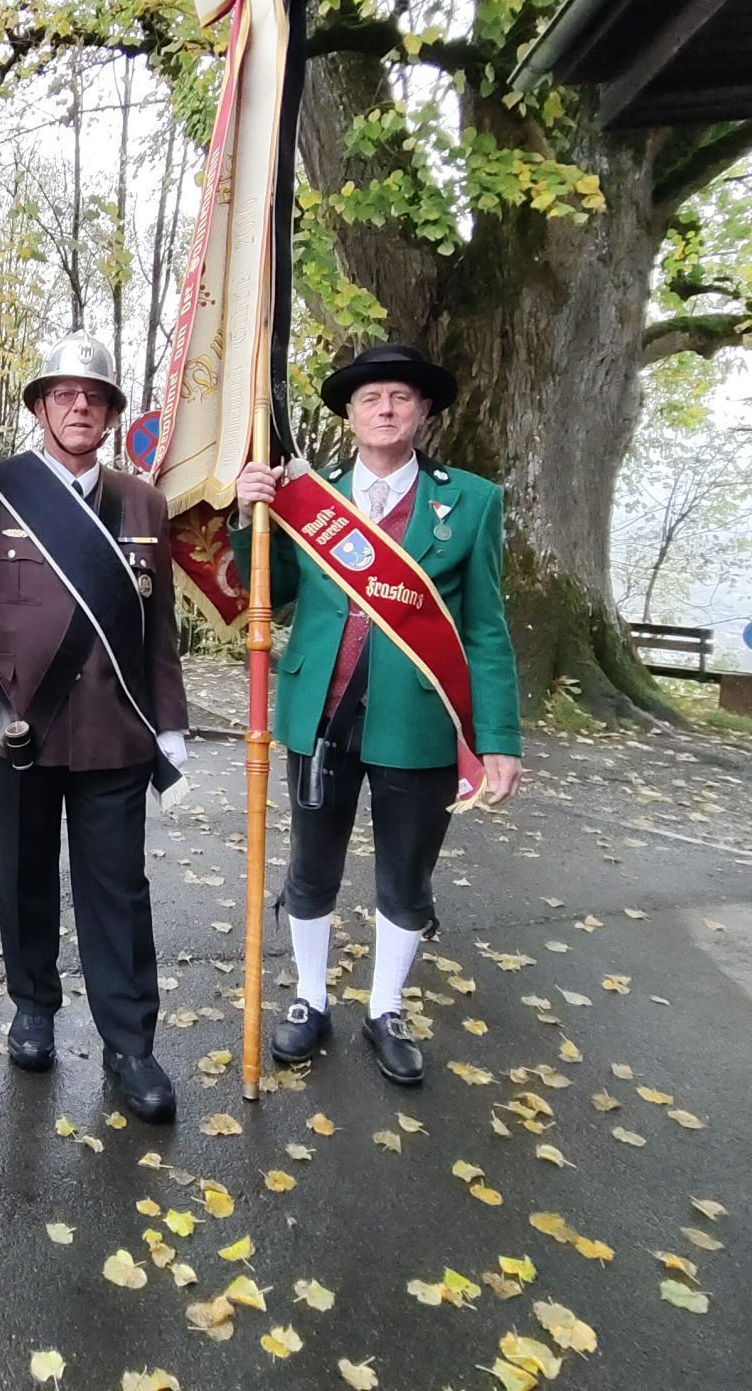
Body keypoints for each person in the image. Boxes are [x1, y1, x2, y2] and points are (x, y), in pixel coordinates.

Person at [0, 332, 191, 1123]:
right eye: (64, 394)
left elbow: (158, 629)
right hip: (17, 728)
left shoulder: (144, 503)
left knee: (118, 890)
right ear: (39, 407)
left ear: (109, 414)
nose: (79, 406)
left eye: (94, 396)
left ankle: (129, 1041)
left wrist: (169, 725)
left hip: (114, 730)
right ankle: (33, 1007)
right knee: (24, 877)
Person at [231, 344, 522, 1086]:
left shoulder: (474, 501)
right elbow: (275, 587)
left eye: (400, 397)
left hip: (420, 722)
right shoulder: (309, 500)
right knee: (311, 868)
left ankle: (386, 1007)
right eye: (371, 399)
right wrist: (248, 514)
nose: (385, 410)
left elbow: (487, 627)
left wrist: (499, 739)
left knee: (405, 877)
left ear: (422, 411)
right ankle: (309, 997)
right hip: (318, 713)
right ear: (351, 415)